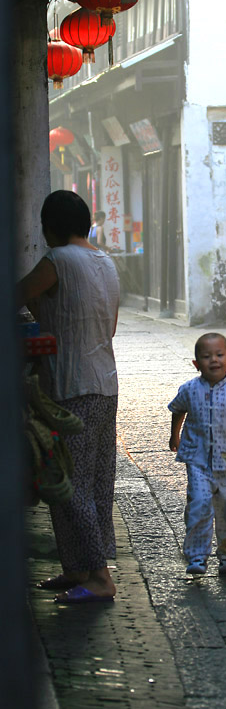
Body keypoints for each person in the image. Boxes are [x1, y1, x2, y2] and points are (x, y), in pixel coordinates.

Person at [18, 190, 120, 603]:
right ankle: (77, 568)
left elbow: (17, 293)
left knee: (69, 485)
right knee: (95, 483)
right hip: (106, 384)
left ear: (49, 229)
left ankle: (98, 577)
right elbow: (107, 327)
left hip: (71, 388)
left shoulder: (57, 260)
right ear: (88, 223)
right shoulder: (106, 262)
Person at [168, 333, 226, 576]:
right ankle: (197, 556)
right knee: (199, 505)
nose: (214, 360)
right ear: (196, 363)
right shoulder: (189, 389)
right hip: (197, 462)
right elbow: (177, 410)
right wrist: (174, 435)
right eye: (206, 356)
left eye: (219, 355)